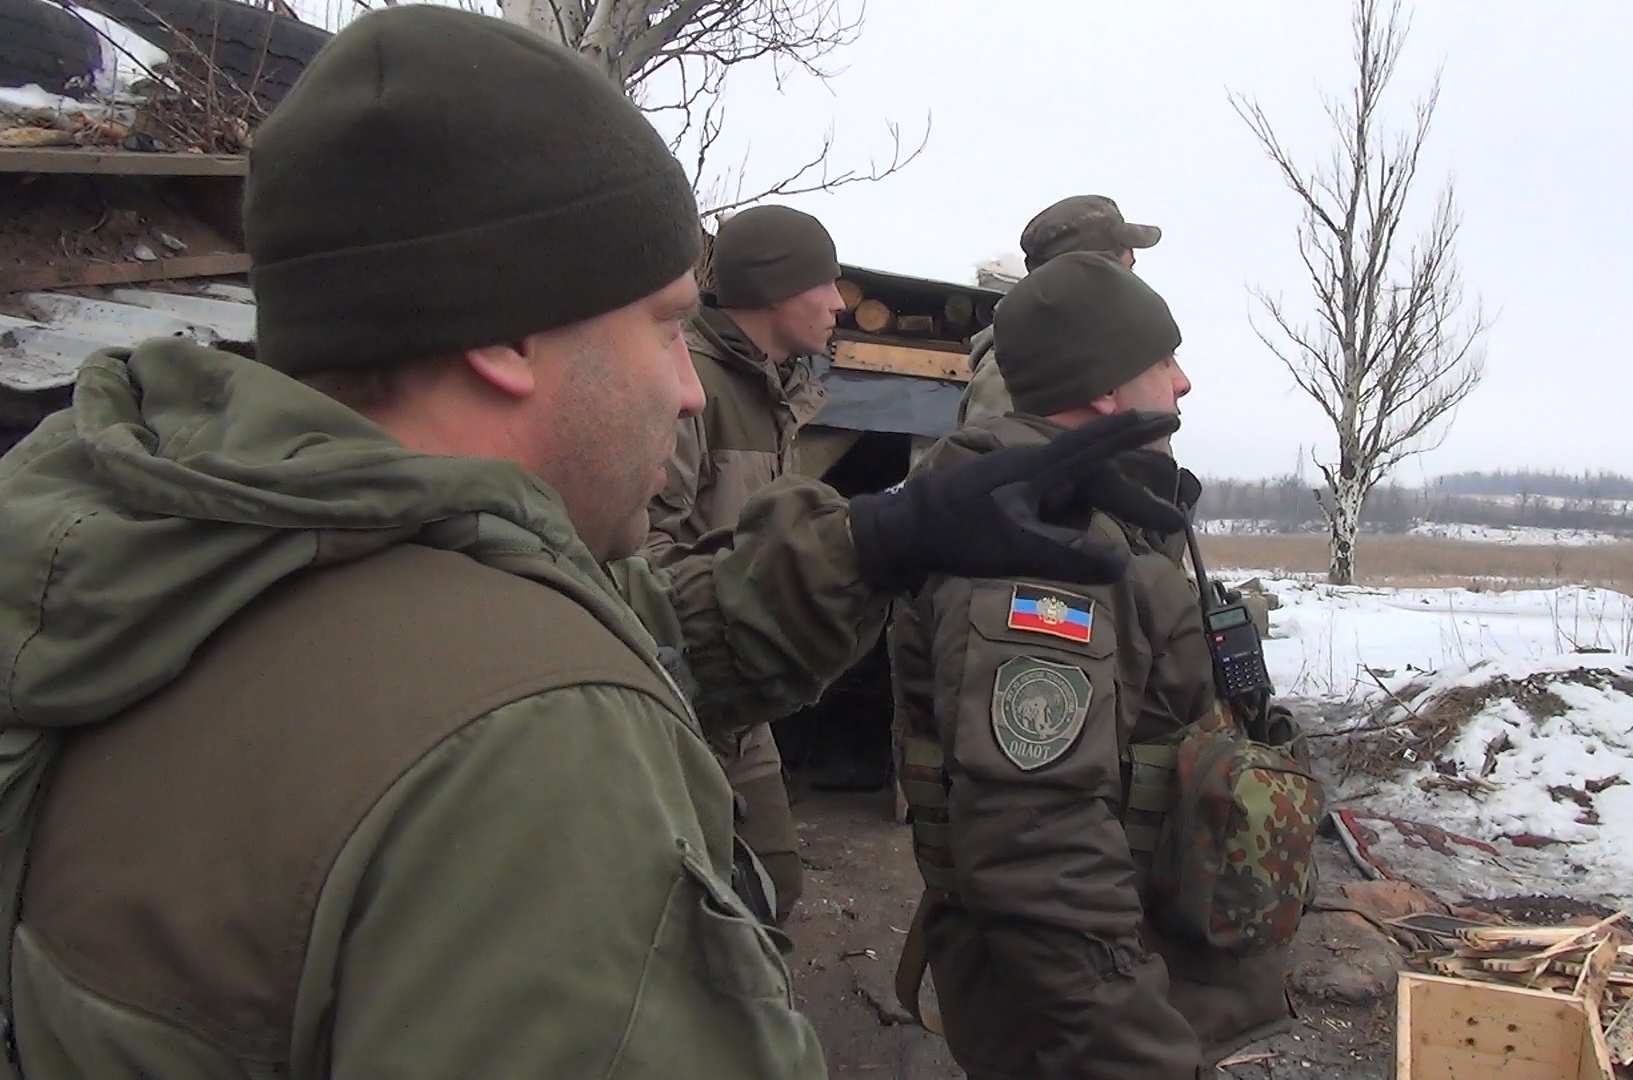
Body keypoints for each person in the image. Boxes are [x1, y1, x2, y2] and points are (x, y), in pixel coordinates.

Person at [0, 10, 1184, 1078]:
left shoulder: (178, 547)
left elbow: (644, 637)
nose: (688, 387)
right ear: (505, 338)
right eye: (666, 328)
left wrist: (875, 542)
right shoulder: (530, 740)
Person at [891, 253, 1322, 1079]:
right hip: (1087, 1028)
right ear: (1103, 389)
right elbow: (1035, 855)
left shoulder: (1102, 517)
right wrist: (1141, 1055)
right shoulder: (1044, 551)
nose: (1184, 381)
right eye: (1163, 360)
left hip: (1132, 979)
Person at [646, 203, 844, 922]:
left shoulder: (774, 388)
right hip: (678, 693)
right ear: (774, 288)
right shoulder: (691, 387)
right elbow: (640, 553)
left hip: (739, 700)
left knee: (774, 884)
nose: (839, 303)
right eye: (824, 283)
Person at [958, 194, 1161, 426]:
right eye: (1126, 270)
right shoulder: (1017, 371)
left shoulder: (1094, 355)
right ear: (1089, 274)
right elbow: (1001, 448)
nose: (1132, 284)